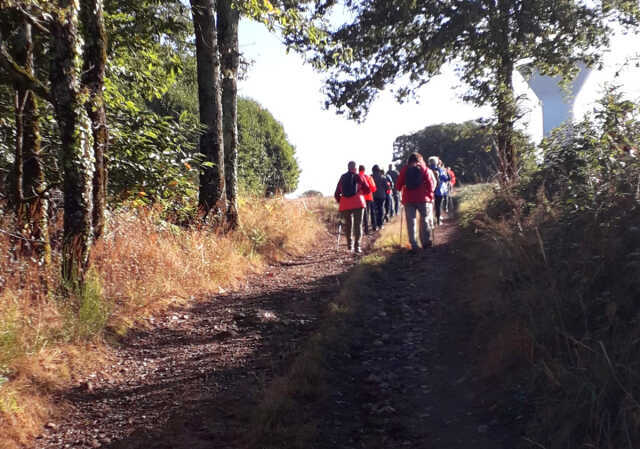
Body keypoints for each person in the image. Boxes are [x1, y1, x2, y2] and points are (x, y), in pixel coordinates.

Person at [396, 152, 436, 251]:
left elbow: (398, 186)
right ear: (420, 159)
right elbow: (430, 184)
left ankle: (414, 244)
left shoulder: (405, 169)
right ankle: (426, 242)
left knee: (411, 222)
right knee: (425, 219)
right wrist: (430, 196)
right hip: (422, 198)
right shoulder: (423, 168)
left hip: (408, 199)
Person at [334, 161, 371, 253]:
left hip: (345, 204)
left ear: (348, 167)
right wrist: (361, 192)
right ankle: (357, 246)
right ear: (355, 168)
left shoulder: (343, 177)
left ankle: (349, 245)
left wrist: (341, 201)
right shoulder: (359, 176)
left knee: (348, 224)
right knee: (358, 225)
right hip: (358, 202)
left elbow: (336, 193)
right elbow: (368, 189)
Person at [428, 156, 450, 226]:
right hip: (438, 190)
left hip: (429, 191)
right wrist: (447, 172)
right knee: (438, 206)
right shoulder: (440, 170)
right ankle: (438, 220)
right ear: (436, 162)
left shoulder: (427, 170)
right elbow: (447, 179)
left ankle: (430, 221)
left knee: (429, 206)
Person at [359, 165, 376, 234]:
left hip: (359, 198)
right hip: (368, 197)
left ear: (359, 170)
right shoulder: (368, 177)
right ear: (364, 170)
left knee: (361, 214)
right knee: (367, 213)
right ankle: (367, 229)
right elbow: (374, 188)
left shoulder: (356, 177)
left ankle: (360, 229)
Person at [371, 165, 388, 230]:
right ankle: (380, 224)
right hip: (381, 196)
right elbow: (387, 187)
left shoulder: (371, 177)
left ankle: (374, 225)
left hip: (373, 196)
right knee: (381, 209)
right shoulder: (383, 177)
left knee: (374, 210)